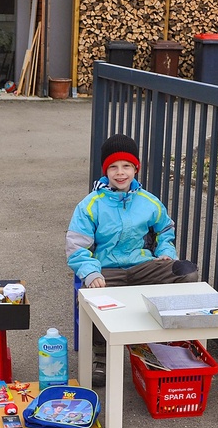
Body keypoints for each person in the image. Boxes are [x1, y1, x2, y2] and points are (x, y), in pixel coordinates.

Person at [66, 133, 198, 386]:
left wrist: (166, 252)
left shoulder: (149, 202)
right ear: (105, 171)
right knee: (90, 296)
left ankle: (164, 342)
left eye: (126, 166)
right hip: (107, 271)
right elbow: (76, 245)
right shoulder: (90, 205)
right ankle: (101, 355)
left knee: (186, 273)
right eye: (113, 167)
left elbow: (165, 230)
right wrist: (91, 272)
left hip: (143, 266)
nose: (120, 173)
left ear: (136, 168)